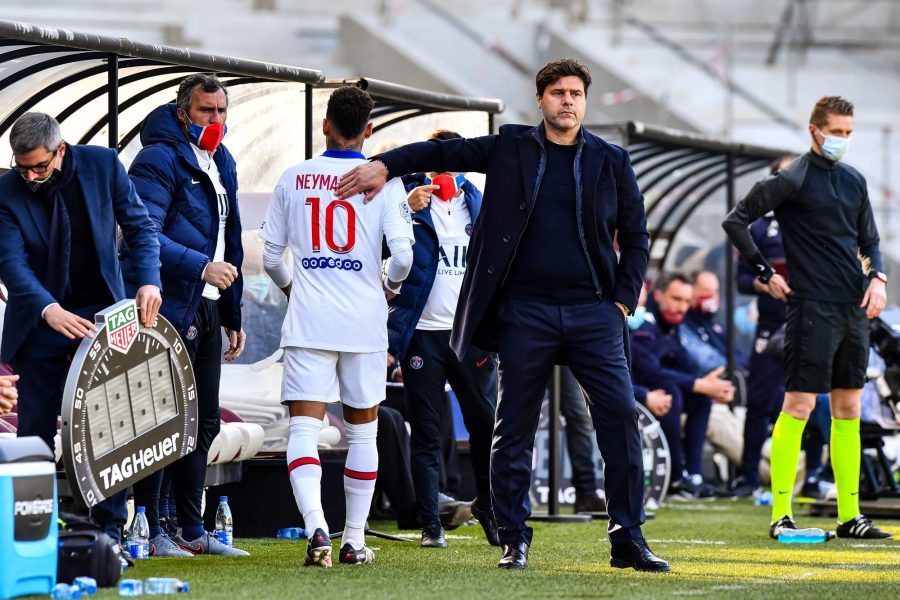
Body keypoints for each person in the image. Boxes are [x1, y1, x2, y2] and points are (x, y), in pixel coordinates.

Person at [337, 59, 670, 572]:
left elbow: (637, 235)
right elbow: (443, 150)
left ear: (585, 100)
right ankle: (514, 538)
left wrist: (622, 302)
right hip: (525, 313)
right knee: (511, 428)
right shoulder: (511, 146)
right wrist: (388, 165)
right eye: (557, 92)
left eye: (576, 93)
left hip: (594, 312)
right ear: (540, 99)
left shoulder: (611, 160)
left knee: (621, 419)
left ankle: (628, 535)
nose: (567, 101)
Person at [722, 95, 892, 539]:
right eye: (837, 132)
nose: (843, 140)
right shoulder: (792, 177)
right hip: (810, 308)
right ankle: (781, 513)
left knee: (849, 408)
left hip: (853, 308)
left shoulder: (855, 181)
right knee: (797, 405)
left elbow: (870, 241)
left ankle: (850, 515)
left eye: (849, 133)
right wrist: (766, 273)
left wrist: (879, 280)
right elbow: (736, 221)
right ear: (815, 130)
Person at [261, 86, 414, 567]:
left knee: (303, 429)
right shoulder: (385, 182)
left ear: (325, 124)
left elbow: (270, 257)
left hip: (310, 320)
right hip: (365, 322)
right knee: (363, 434)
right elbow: (405, 257)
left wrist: (293, 289)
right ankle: (353, 539)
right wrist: (387, 284)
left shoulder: (294, 177)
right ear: (368, 130)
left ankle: (315, 529)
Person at [0, 112, 162, 543]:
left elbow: (140, 229)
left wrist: (148, 280)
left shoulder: (103, 164)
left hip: (103, 316)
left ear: (62, 149)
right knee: (33, 428)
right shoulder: (5, 189)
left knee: (107, 422)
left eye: (39, 166)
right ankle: (31, 533)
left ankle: (108, 533)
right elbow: (11, 263)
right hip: (40, 319)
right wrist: (48, 309)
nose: (30, 175)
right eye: (22, 167)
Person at [122, 74, 249, 557]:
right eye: (205, 112)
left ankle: (191, 530)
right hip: (168, 305)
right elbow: (143, 232)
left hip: (209, 305)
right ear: (183, 113)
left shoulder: (223, 160)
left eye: (220, 112)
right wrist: (200, 267)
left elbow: (231, 240)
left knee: (204, 421)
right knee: (161, 421)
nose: (215, 121)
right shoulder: (157, 158)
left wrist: (233, 312)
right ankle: (152, 530)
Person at [390, 129, 499, 548]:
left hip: (470, 332)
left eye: (454, 164)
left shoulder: (480, 201)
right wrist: (404, 207)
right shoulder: (407, 197)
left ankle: (488, 507)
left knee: (485, 426)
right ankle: (431, 525)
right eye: (440, 164)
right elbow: (382, 249)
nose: (446, 173)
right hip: (423, 334)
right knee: (427, 430)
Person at [630, 272, 735, 500]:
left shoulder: (671, 325)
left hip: (654, 394)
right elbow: (649, 370)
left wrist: (711, 385)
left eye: (687, 301)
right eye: (677, 299)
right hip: (633, 394)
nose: (682, 307)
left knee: (700, 399)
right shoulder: (643, 323)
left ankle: (694, 476)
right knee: (672, 391)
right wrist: (698, 383)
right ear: (658, 296)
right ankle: (675, 478)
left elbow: (683, 363)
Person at [730, 155, 794, 498]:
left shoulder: (815, 221)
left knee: (811, 402)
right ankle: (749, 477)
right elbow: (742, 280)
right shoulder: (756, 226)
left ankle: (813, 474)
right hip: (770, 325)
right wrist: (766, 282)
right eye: (782, 174)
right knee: (757, 402)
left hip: (809, 322)